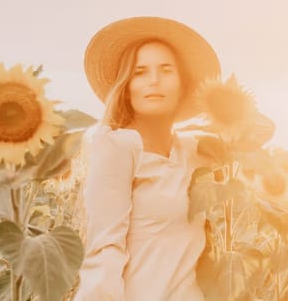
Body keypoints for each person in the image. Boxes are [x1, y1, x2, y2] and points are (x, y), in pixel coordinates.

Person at [73, 16, 220, 301]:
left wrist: (225, 111)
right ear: (126, 87)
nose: (154, 81)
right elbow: (105, 249)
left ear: (184, 84)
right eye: (140, 72)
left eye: (166, 70)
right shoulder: (118, 146)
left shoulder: (195, 152)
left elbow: (255, 130)